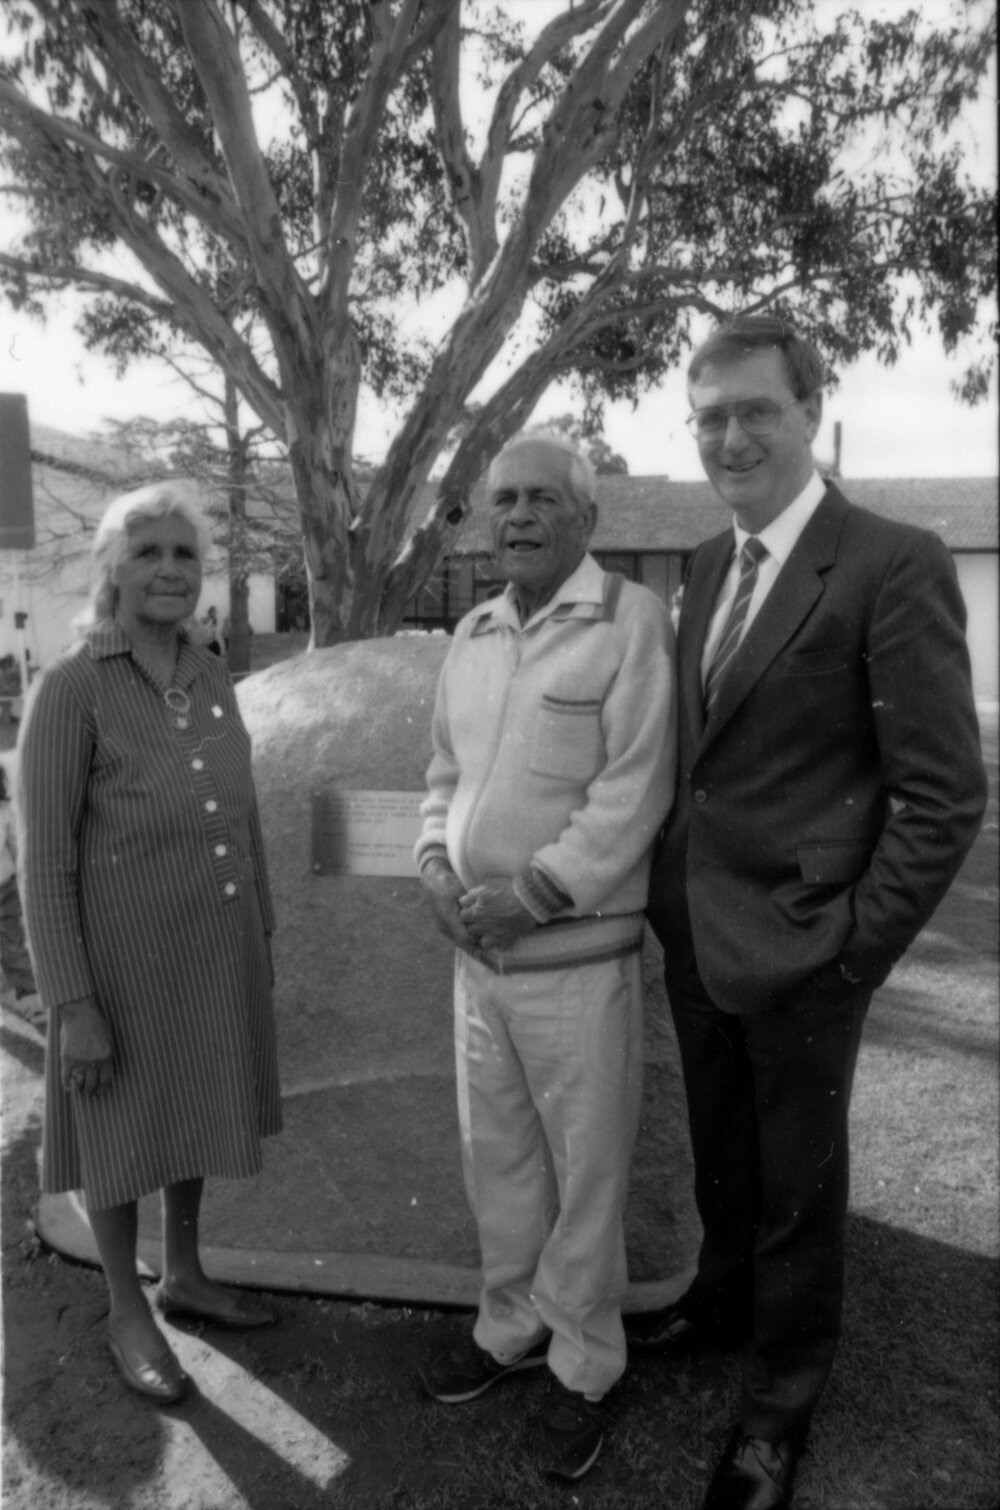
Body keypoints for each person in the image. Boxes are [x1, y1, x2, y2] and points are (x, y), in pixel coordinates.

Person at [637, 315, 988, 1510]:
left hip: (806, 945)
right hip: (694, 931)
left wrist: (851, 952)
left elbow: (941, 797)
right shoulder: (698, 566)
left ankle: (781, 1399)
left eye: (755, 412)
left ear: (810, 412)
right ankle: (723, 1302)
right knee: (725, 1158)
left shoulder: (892, 559)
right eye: (709, 417)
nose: (730, 437)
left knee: (798, 1180)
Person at [415, 433, 676, 1482]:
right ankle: (509, 1328)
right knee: (501, 1164)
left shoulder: (630, 624)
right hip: (479, 963)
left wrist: (529, 894)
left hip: (576, 957)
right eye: (503, 500)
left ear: (586, 517)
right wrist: (436, 864)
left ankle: (585, 1363)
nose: (516, 516)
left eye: (539, 499)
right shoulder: (471, 632)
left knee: (588, 1173)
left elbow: (634, 793)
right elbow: (441, 772)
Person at [19, 483, 282, 1407]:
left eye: (184, 554)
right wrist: (72, 1005)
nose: (169, 570)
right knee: (122, 1133)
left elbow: (241, 815)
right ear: (112, 571)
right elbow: (43, 864)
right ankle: (127, 1307)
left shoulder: (211, 673)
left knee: (193, 1107)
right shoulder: (73, 687)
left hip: (212, 952)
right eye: (148, 553)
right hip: (118, 971)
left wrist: (262, 930)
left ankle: (187, 1275)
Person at [0, 752, 43, 1028]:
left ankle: (29, 996)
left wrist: (21, 874)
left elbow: (15, 842)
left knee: (12, 943)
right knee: (11, 943)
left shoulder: (4, 812)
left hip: (4, 887)